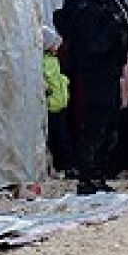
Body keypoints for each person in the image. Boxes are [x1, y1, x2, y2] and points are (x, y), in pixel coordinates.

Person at [54, 0, 128, 195]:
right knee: (95, 126)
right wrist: (111, 23)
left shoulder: (103, 5)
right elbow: (95, 44)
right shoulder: (81, 9)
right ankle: (87, 175)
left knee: (110, 125)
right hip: (93, 72)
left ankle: (98, 172)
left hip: (109, 71)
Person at [44, 27, 73, 177]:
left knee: (62, 136)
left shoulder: (53, 60)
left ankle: (65, 165)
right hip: (51, 106)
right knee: (57, 138)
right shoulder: (45, 62)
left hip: (60, 104)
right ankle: (59, 165)